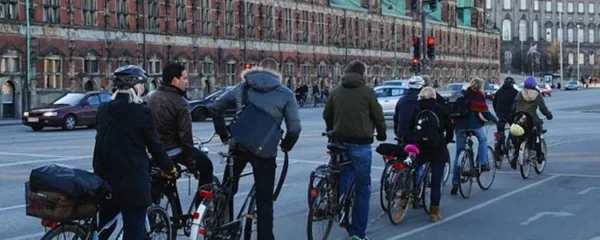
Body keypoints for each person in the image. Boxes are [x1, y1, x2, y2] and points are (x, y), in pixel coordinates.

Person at [208, 58, 301, 240]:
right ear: (277, 72)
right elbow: (295, 129)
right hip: (265, 152)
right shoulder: (286, 94)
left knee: (228, 189)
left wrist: (224, 135)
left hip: (239, 146)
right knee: (264, 200)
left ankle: (220, 227)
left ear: (259, 69)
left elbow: (215, 107)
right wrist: (286, 146)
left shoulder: (243, 87)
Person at [93, 65, 176, 239]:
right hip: (132, 181)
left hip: (105, 178)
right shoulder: (141, 112)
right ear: (137, 86)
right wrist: (169, 168)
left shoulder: (103, 109)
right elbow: (155, 146)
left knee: (104, 229)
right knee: (134, 231)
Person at [323, 60, 386, 240]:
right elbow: (378, 116)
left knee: (344, 176)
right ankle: (358, 232)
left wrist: (331, 129)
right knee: (363, 188)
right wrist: (381, 133)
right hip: (361, 144)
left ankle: (340, 209)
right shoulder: (367, 92)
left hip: (339, 141)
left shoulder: (336, 91)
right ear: (362, 74)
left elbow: (327, 114)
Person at [146, 63, 214, 191]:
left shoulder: (151, 96)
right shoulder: (180, 102)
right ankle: (202, 206)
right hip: (172, 149)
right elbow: (185, 137)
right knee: (206, 166)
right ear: (175, 80)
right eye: (185, 78)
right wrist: (191, 164)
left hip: (154, 150)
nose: (187, 82)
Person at [400, 87, 454, 222]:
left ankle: (403, 199)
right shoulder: (441, 109)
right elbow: (449, 129)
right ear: (434, 97)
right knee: (436, 181)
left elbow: (410, 126)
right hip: (437, 148)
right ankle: (434, 212)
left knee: (413, 170)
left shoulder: (417, 108)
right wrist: (445, 141)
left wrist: (415, 140)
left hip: (421, 148)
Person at [450, 77, 497, 195]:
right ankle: (483, 162)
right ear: (480, 86)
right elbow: (485, 113)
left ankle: (455, 183)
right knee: (483, 139)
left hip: (459, 126)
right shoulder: (478, 96)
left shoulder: (462, 94)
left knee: (458, 153)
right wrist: (495, 120)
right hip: (474, 125)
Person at [510, 77, 553, 168]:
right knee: (537, 133)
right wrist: (549, 115)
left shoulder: (519, 94)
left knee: (518, 137)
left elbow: (513, 108)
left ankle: (515, 155)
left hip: (519, 119)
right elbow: (543, 108)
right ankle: (539, 154)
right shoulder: (537, 94)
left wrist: (513, 116)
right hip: (532, 119)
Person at [492, 77, 519, 159]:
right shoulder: (515, 92)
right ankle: (515, 149)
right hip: (511, 115)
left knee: (500, 133)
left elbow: (494, 103)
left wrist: (497, 112)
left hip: (501, 114)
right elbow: (518, 104)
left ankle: (498, 152)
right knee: (514, 130)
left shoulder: (499, 92)